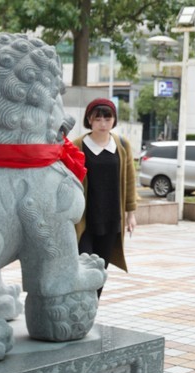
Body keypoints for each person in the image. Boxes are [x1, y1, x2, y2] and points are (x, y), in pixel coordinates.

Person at [73, 98, 137, 298]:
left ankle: (92, 308)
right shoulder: (77, 146)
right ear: (89, 120)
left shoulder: (122, 145)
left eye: (107, 118)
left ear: (114, 120)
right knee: (83, 267)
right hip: (84, 220)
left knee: (100, 270)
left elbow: (129, 179)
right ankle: (81, 306)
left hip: (111, 219)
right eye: (97, 118)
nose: (102, 123)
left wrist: (131, 213)